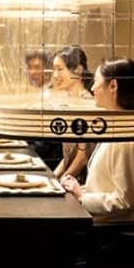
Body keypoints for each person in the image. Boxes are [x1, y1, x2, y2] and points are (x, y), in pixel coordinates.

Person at [61, 57, 134, 226]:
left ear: (113, 86)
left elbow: (126, 201)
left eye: (96, 82)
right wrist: (78, 189)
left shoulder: (126, 139)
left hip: (119, 235)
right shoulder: (117, 127)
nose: (93, 88)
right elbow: (105, 186)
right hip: (106, 226)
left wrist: (81, 196)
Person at [51, 46, 95, 181]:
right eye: (54, 70)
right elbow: (68, 158)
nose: (55, 75)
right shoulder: (72, 101)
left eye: (60, 69)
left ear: (78, 70)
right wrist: (52, 178)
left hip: (82, 184)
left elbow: (82, 158)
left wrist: (60, 181)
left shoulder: (86, 103)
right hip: (71, 180)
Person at [24, 49, 63, 169]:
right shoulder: (36, 91)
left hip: (49, 159)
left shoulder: (53, 93)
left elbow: (48, 137)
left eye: (37, 67)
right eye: (30, 67)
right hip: (35, 153)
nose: (33, 72)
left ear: (47, 69)